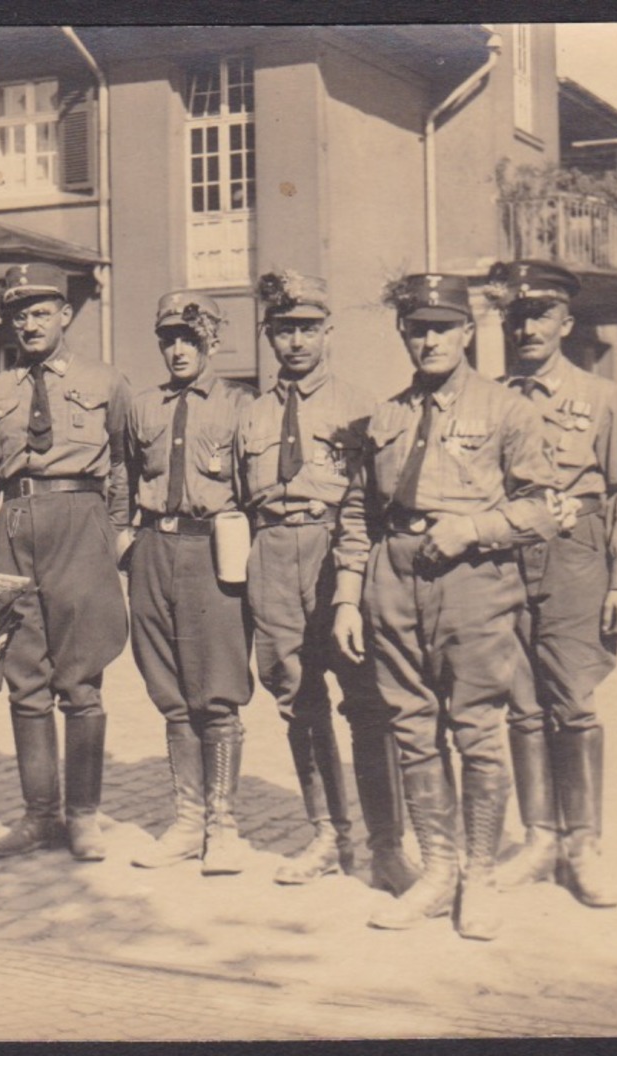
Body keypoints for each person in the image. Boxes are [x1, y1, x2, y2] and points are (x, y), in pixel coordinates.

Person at [363, 273, 561, 940]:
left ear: (467, 332)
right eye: (417, 328)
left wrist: (472, 528)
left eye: (441, 327)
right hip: (392, 580)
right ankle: (437, 870)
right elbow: (357, 513)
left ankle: (478, 876)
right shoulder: (386, 415)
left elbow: (544, 508)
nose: (428, 340)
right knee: (411, 728)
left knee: (475, 727)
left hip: (472, 580)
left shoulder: (507, 410)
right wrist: (347, 593)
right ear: (403, 334)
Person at [235, 270, 418, 893]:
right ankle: (327, 834)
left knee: (365, 701)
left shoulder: (363, 407)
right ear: (268, 335)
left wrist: (358, 579)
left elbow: (375, 503)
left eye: (308, 329)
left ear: (329, 332)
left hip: (337, 553)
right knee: (297, 701)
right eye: (284, 330)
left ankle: (387, 844)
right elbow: (238, 497)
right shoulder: (251, 414)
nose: (296, 342)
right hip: (271, 553)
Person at [490, 260, 617, 908]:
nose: (528, 327)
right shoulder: (491, 397)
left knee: (571, 700)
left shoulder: (604, 398)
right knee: (520, 701)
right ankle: (538, 838)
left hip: (576, 555)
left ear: (565, 322)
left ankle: (583, 843)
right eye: (517, 316)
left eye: (541, 314)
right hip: (505, 556)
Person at [0, 262, 133, 862]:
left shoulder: (105, 380)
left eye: (41, 312)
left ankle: (85, 816)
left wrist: (116, 533)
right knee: (24, 674)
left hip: (80, 520)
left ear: (66, 315)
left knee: (82, 675)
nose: (30, 324)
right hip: (16, 524)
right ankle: (40, 815)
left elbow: (123, 463)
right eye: (20, 314)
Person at [124, 292, 256, 875]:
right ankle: (186, 821)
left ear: (212, 342)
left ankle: (222, 827)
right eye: (168, 339)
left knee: (216, 693)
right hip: (154, 547)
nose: (178, 350)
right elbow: (122, 478)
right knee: (171, 694)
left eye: (190, 339)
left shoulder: (238, 406)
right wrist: (123, 540)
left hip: (212, 550)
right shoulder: (142, 405)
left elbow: (254, 490)